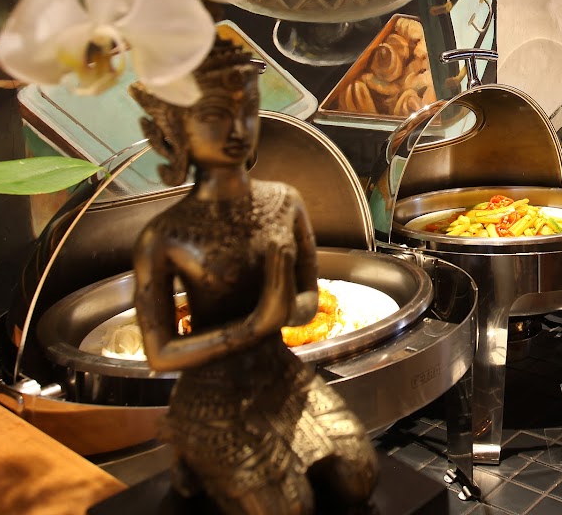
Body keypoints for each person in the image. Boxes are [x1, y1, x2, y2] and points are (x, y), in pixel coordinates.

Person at [130, 39, 377, 513]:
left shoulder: (284, 202)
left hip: (282, 375)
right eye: (215, 115)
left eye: (247, 110)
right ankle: (195, 456)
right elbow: (160, 353)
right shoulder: (165, 236)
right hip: (212, 398)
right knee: (289, 507)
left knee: (357, 476)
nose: (237, 128)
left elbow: (306, 302)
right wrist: (256, 324)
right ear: (177, 127)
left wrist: (287, 309)